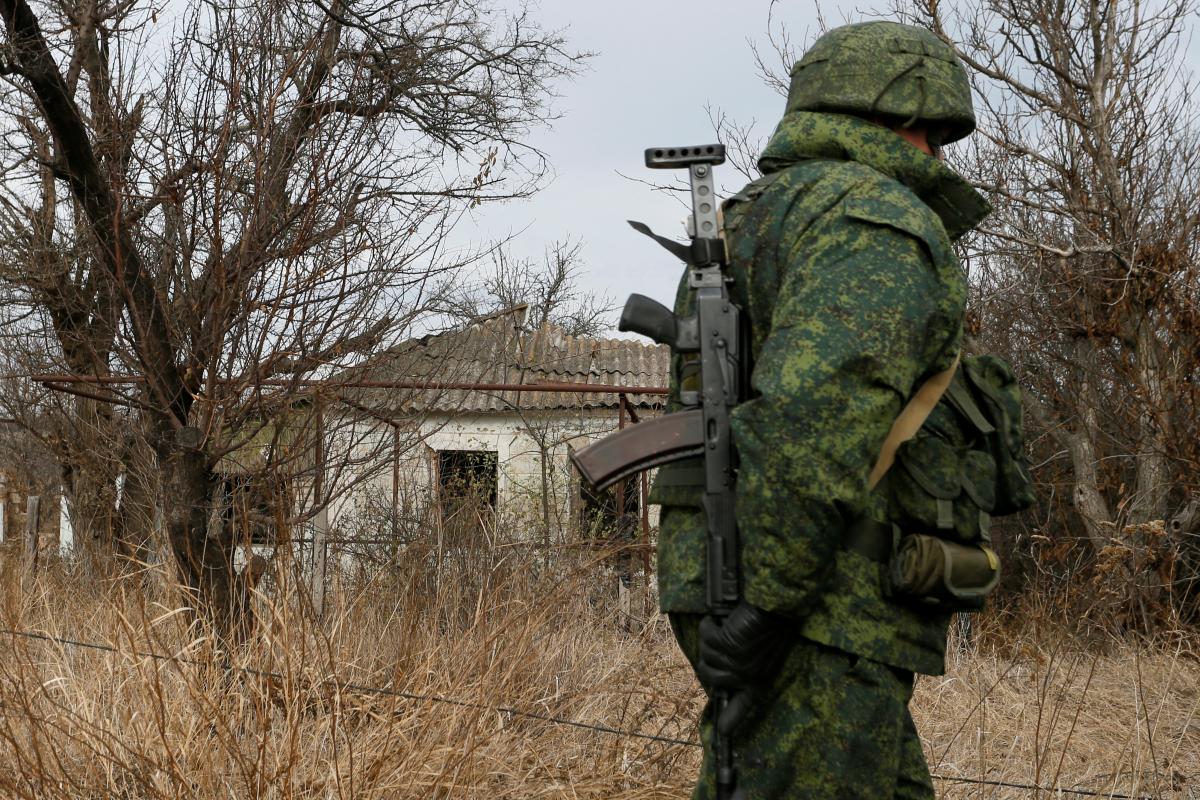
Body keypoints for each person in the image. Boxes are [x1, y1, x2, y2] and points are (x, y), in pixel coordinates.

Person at [649, 21, 994, 799]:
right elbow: (815, 417)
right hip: (810, 609)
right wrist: (768, 607)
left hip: (760, 589)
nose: (939, 155)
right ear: (909, 115)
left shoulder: (757, 213)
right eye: (935, 133)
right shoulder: (873, 219)